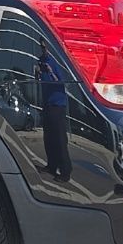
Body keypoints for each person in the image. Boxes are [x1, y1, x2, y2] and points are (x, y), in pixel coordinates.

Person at [36, 40, 72, 183]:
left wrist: (51, 73)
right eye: (42, 46)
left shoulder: (55, 61)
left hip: (58, 104)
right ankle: (51, 165)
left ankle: (65, 170)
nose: (44, 49)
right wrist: (38, 73)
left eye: (46, 46)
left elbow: (62, 83)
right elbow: (39, 82)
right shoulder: (41, 60)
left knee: (59, 139)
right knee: (48, 137)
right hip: (47, 104)